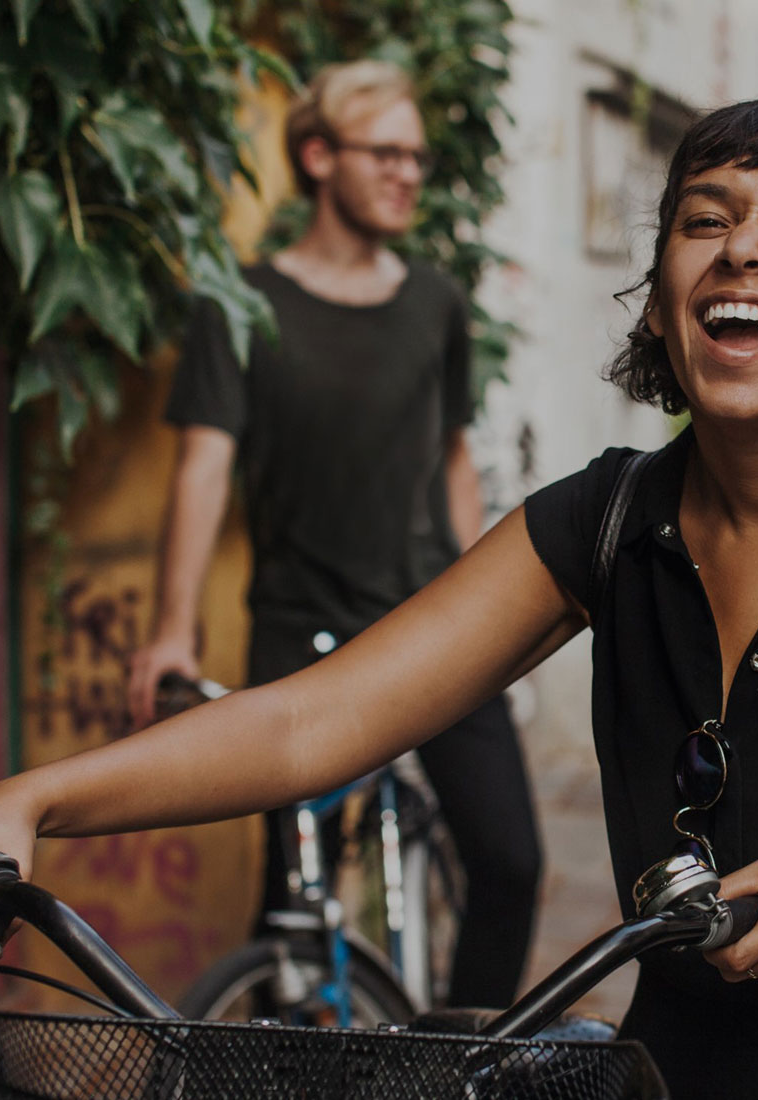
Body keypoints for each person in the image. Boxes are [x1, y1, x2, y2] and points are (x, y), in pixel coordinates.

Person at [0, 97, 758, 1098]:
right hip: (673, 1073)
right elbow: (309, 723)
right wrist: (34, 797)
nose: (743, 248)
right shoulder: (598, 522)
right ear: (666, 288)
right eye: (705, 218)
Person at [119, 60, 541, 1009]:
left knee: (509, 864)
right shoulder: (241, 302)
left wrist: (490, 599)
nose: (408, 174)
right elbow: (203, 465)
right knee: (292, 909)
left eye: (417, 158)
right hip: (302, 632)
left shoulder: (436, 302)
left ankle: (457, 1067)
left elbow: (455, 459)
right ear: (318, 156)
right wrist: (173, 628)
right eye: (385, 153)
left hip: (439, 629)